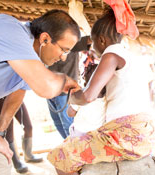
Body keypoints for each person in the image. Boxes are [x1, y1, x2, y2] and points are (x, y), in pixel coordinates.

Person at [47, 8, 155, 175]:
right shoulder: (130, 56)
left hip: (124, 134)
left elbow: (88, 96)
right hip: (143, 131)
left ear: (102, 40)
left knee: (60, 156)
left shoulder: (111, 54)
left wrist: (72, 97)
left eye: (93, 41)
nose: (92, 47)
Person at [0, 9, 81, 174]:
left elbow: (18, 93)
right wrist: (64, 80)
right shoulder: (7, 28)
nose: (64, 57)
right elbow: (45, 87)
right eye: (64, 50)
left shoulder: (34, 58)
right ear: (45, 38)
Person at [47, 36, 91, 139]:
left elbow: (90, 39)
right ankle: (70, 148)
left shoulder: (71, 40)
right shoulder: (49, 41)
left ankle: (74, 150)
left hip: (65, 93)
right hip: (50, 90)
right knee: (58, 123)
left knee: (68, 125)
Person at [0, 98, 43, 173]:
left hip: (16, 97)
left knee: (28, 127)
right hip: (1, 100)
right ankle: (16, 162)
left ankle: (28, 155)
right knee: (9, 132)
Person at [67, 56, 106, 138]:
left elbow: (70, 113)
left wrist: (71, 100)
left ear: (85, 80)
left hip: (79, 133)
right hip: (97, 135)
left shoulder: (81, 96)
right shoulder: (106, 98)